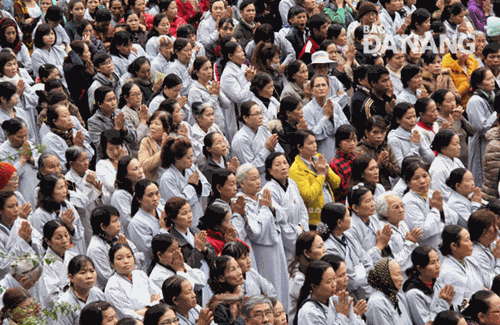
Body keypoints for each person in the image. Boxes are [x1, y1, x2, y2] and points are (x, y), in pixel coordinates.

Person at [317, 202, 374, 301]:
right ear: (339, 223)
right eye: (348, 216)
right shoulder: (329, 247)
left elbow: (367, 260)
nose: (351, 219)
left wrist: (364, 273)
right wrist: (360, 270)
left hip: (366, 286)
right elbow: (351, 279)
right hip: (349, 294)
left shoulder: (349, 236)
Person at [164, 197, 215, 305]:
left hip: (208, 277)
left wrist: (204, 249)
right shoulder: (172, 240)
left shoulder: (194, 230)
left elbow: (212, 254)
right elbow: (183, 267)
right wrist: (197, 249)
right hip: (193, 284)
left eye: (190, 211)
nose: (189, 216)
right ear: (173, 218)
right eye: (184, 213)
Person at [402, 159, 458, 255]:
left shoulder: (432, 193)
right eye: (416, 178)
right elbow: (423, 232)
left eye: (425, 176)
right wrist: (436, 210)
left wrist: (441, 211)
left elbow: (454, 218)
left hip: (442, 245)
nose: (422, 181)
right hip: (425, 251)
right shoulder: (408, 201)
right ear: (409, 182)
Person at [262, 152, 308, 259]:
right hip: (286, 241)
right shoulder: (269, 190)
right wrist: (297, 234)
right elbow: (279, 220)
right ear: (270, 170)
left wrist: (304, 230)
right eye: (278, 165)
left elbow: (302, 209)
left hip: (301, 231)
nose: (283, 167)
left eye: (285, 163)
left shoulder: (292, 183)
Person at [431, 225, 486, 314]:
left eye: (470, 239)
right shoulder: (447, 272)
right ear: (454, 245)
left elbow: (484, 284)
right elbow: (459, 306)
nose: (471, 243)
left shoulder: (470, 260)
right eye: (466, 240)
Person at [87, 205, 144, 290]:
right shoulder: (95, 249)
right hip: (113, 289)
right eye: (115, 221)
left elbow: (140, 258)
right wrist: (120, 252)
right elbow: (107, 278)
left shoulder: (118, 238)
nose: (119, 224)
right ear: (103, 226)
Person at [159, 137, 210, 227]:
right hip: (181, 225)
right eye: (188, 157)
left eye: (192, 156)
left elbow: (207, 188)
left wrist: (197, 187)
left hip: (199, 216)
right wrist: (191, 186)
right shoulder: (167, 178)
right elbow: (177, 207)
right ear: (177, 158)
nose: (192, 160)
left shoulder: (191, 167)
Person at [29, 173, 86, 254]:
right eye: (60, 188)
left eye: (64, 187)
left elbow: (80, 232)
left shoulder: (67, 205)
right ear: (50, 191)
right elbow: (41, 244)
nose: (65, 191)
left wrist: (70, 226)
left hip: (72, 252)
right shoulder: (39, 215)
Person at [105, 243, 162, 320]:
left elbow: (160, 296)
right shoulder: (113, 286)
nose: (126, 261)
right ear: (112, 263)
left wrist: (144, 309)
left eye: (129, 256)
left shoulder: (140, 274)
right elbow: (128, 316)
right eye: (119, 258)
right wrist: (152, 305)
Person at [296, 260, 363, 325]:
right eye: (328, 282)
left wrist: (351, 314)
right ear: (314, 286)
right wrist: (342, 315)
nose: (334, 284)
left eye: (334, 279)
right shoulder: (309, 312)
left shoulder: (336, 300)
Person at [232, 101, 284, 182]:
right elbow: (250, 169)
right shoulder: (240, 139)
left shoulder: (263, 129)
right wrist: (266, 149)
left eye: (261, 113)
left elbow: (280, 151)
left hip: (274, 172)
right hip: (255, 180)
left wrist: (273, 150)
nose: (261, 117)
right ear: (245, 118)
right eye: (256, 114)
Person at [403, 246, 455, 325]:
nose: (438, 266)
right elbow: (426, 323)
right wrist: (444, 302)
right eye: (432, 263)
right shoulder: (413, 294)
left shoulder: (437, 281)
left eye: (438, 260)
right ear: (419, 268)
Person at [303, 75, 349, 163]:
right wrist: (326, 117)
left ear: (328, 89)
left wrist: (332, 117)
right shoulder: (306, 110)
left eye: (324, 85)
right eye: (317, 86)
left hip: (337, 151)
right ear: (312, 90)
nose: (321, 88)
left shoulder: (335, 105)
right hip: (319, 152)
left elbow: (346, 128)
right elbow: (312, 135)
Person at [375, 192, 422, 274]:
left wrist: (413, 242)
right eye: (396, 207)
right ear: (385, 211)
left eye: (402, 205)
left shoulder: (402, 223)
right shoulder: (385, 230)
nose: (401, 210)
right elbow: (394, 263)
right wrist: (410, 243)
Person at [0, 191, 43, 279]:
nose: (16, 209)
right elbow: (3, 267)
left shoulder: (22, 223)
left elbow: (42, 247)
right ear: (0, 210)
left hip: (31, 275)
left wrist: (29, 241)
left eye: (17, 205)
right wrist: (21, 242)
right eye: (11, 206)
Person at [52, 255, 106, 325]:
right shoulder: (63, 304)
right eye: (83, 273)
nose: (89, 276)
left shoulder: (98, 293)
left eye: (92, 271)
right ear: (71, 277)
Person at [38, 220, 79, 309]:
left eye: (66, 235)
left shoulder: (73, 256)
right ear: (48, 241)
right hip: (60, 309)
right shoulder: (45, 264)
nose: (64, 240)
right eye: (59, 238)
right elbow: (52, 295)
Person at [42, 103, 94, 174]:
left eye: (69, 115)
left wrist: (80, 147)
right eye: (65, 116)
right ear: (55, 121)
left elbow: (91, 154)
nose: (70, 118)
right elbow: (63, 167)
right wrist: (78, 148)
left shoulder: (73, 132)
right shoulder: (50, 139)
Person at [467, 67, 497, 187]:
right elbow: (481, 127)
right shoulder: (475, 101)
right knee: (481, 176)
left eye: (492, 78)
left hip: (490, 143)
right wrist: (496, 114)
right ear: (479, 83)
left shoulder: (491, 96)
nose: (492, 81)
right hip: (480, 144)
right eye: (488, 79)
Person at [287, 231, 326, 323]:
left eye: (323, 245)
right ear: (307, 253)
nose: (324, 250)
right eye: (320, 247)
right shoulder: (298, 279)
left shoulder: (313, 269)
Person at [220, 41, 255, 142]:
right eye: (239, 52)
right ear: (230, 56)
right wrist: (249, 81)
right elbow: (239, 97)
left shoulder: (243, 67)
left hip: (249, 109)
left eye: (242, 51)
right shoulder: (228, 74)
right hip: (237, 114)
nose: (243, 54)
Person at [0, 118, 39, 206]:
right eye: (20, 137)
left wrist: (31, 160)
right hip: (21, 190)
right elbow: (7, 177)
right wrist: (22, 159)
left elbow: (42, 163)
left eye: (26, 135)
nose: (24, 139)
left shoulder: (30, 145)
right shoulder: (2, 151)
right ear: (8, 135)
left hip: (36, 185)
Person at [188, 56, 230, 134]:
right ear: (197, 72)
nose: (210, 71)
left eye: (210, 68)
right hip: (206, 132)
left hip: (219, 128)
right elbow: (201, 112)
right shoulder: (194, 91)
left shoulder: (212, 85)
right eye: (205, 69)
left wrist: (218, 93)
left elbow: (227, 104)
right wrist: (214, 96)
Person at [355, 116, 400, 191]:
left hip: (386, 188)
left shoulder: (386, 147)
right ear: (367, 133)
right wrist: (378, 163)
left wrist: (386, 164)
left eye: (382, 132)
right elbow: (359, 175)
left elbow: (396, 173)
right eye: (375, 132)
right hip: (366, 190)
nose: (379, 136)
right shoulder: (359, 150)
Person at [366, 258, 412, 325]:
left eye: (400, 274)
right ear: (386, 276)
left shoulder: (397, 296)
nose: (401, 278)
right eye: (397, 274)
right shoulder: (377, 303)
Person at [388, 103, 435, 168]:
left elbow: (431, 158)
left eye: (414, 116)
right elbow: (402, 166)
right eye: (408, 118)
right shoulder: (394, 139)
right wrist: (415, 145)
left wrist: (421, 145)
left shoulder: (416, 132)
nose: (413, 120)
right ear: (398, 120)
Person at [110, 156, 145, 237]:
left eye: (140, 167)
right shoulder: (120, 196)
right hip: (130, 235)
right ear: (125, 174)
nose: (140, 171)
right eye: (135, 169)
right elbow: (128, 221)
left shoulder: (139, 188)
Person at [206, 256, 246, 325]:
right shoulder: (218, 307)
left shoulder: (242, 295)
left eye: (238, 267)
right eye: (233, 270)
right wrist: (241, 316)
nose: (239, 272)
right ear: (221, 278)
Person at [429, 130, 464, 203]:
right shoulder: (438, 168)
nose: (459, 147)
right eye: (455, 144)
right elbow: (442, 195)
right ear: (443, 148)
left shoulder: (457, 161)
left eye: (459, 143)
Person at [468, 210, 500, 289]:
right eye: (494, 225)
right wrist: (498, 259)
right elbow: (493, 284)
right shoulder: (476, 255)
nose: (497, 228)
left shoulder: (491, 244)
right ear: (485, 232)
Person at [139, 110, 171, 182]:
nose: (152, 127)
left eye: (157, 124)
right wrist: (162, 150)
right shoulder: (146, 142)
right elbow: (144, 165)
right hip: (155, 183)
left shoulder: (172, 141)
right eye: (151, 123)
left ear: (167, 129)